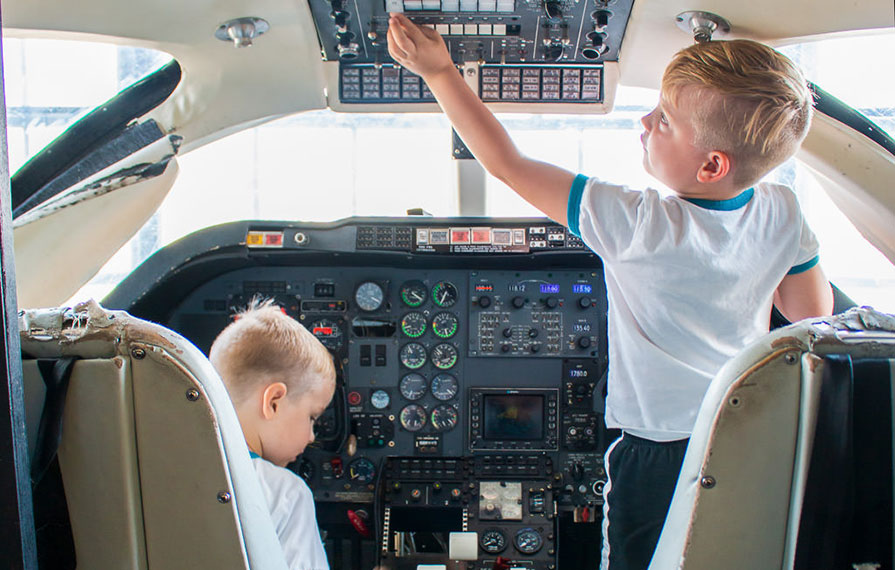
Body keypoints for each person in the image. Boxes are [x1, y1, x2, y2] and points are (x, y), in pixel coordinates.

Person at [387, 13, 833, 570]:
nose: (645, 120)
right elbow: (808, 316)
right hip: (743, 434)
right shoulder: (784, 212)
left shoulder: (633, 222)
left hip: (654, 452)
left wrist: (440, 71)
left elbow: (506, 164)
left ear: (713, 164)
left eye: (665, 120)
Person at [209, 299, 336, 570]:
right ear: (273, 401)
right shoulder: (286, 494)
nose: (312, 436)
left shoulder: (159, 472)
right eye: (312, 417)